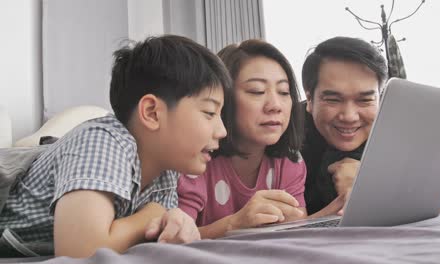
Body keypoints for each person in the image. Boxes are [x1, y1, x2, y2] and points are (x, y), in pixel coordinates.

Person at [0, 35, 231, 258]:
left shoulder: (165, 172)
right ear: (152, 113)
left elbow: (151, 239)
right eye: (209, 113)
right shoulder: (102, 141)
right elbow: (81, 253)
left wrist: (176, 224)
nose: (222, 131)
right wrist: (152, 214)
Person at [301, 36, 440, 215]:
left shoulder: (402, 127)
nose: (349, 116)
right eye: (333, 100)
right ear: (309, 99)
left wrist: (380, 190)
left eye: (365, 100)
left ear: (380, 98)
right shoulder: (283, 131)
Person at [177, 39, 312, 239]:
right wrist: (235, 223)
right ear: (222, 98)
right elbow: (174, 240)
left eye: (284, 92)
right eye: (257, 91)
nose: (275, 105)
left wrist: (334, 212)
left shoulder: (290, 161)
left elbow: (296, 232)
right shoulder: (194, 161)